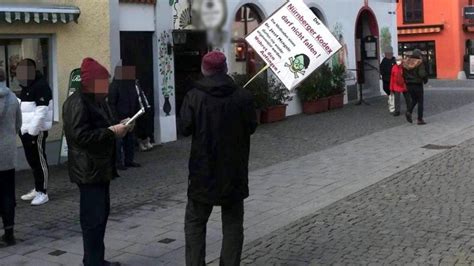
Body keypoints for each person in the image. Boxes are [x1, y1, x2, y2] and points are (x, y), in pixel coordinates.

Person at [180, 51, 257, 265]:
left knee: (195, 223)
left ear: (204, 71)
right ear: (225, 69)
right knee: (233, 224)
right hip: (234, 170)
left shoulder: (194, 96)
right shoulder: (243, 96)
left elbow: (185, 128)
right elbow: (252, 126)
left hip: (202, 171)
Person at [63, 58, 131, 266]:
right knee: (93, 220)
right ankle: (93, 262)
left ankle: (96, 260)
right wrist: (111, 132)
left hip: (100, 168)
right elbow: (80, 137)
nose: (107, 86)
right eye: (103, 81)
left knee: (100, 218)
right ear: (91, 82)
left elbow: (106, 125)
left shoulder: (98, 100)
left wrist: (121, 126)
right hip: (88, 170)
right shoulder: (77, 103)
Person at [17, 58, 53, 206]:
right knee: (32, 161)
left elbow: (41, 111)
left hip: (35, 132)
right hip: (25, 131)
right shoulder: (26, 85)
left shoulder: (41, 85)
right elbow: (25, 108)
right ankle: (37, 189)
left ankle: (43, 192)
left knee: (39, 162)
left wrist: (32, 131)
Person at [0, 69, 21, 247]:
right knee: (7, 194)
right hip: (7, 154)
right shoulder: (13, 98)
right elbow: (18, 124)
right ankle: (9, 233)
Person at [108, 64, 141, 170]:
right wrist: (115, 119)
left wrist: (134, 116)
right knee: (118, 141)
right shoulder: (115, 85)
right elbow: (111, 103)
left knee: (130, 140)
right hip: (119, 118)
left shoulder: (131, 85)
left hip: (130, 116)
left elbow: (135, 100)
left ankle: (129, 160)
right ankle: (118, 162)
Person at [403, 49, 428, 125]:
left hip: (409, 84)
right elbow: (422, 74)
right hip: (417, 84)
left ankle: (409, 111)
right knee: (420, 101)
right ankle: (420, 119)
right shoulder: (419, 62)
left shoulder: (406, 62)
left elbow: (403, 74)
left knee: (414, 99)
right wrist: (425, 79)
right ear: (419, 55)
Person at [380, 46, 396, 113]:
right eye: (387, 53)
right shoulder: (384, 60)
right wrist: (382, 74)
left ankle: (392, 106)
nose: (388, 54)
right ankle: (391, 99)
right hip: (386, 79)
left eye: (390, 53)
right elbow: (381, 69)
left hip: (393, 79)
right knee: (386, 89)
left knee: (392, 92)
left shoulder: (394, 60)